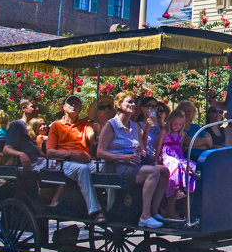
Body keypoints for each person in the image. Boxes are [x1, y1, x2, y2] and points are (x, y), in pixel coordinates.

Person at [97, 91, 169, 229]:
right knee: (153, 172)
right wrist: (124, 157)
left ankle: (154, 211)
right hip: (115, 166)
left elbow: (142, 151)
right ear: (118, 105)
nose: (132, 105)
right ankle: (145, 216)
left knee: (164, 171)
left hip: (133, 164)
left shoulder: (134, 126)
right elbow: (100, 153)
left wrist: (139, 149)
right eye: (129, 102)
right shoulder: (111, 125)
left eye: (133, 102)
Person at [46, 95, 106, 224]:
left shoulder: (84, 124)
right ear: (65, 107)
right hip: (65, 163)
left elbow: (91, 136)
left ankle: (111, 205)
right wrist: (72, 154)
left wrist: (97, 132)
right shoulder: (56, 126)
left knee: (107, 166)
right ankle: (95, 210)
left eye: (76, 104)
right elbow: (50, 151)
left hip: (84, 161)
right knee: (83, 169)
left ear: (80, 109)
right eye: (70, 103)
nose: (73, 105)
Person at [156, 110, 196, 220]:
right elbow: (159, 147)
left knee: (192, 166)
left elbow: (181, 148)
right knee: (176, 165)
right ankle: (177, 190)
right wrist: (156, 160)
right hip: (168, 156)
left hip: (178, 156)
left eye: (179, 124)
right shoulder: (165, 132)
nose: (177, 126)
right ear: (170, 122)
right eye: (175, 124)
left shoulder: (182, 134)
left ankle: (188, 203)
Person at [2, 96, 46, 170]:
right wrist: (21, 154)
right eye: (33, 107)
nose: (37, 109)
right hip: (32, 164)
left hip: (40, 161)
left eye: (37, 106)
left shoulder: (34, 126)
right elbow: (6, 149)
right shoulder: (17, 125)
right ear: (24, 109)